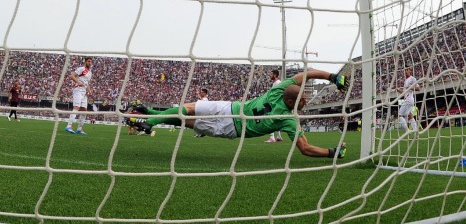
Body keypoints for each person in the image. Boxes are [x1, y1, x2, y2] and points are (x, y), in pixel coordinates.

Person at [128, 69, 349, 159]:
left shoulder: (278, 89)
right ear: (290, 101)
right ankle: (149, 120)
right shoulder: (288, 120)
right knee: (186, 110)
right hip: (231, 124)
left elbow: (308, 74)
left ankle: (149, 116)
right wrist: (333, 153)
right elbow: (306, 149)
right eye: (302, 99)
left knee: (185, 116)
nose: (306, 101)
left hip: (230, 111)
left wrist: (332, 77)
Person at [65, 57, 93, 135]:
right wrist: (77, 82)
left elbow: (87, 83)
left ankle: (79, 129)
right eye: (88, 61)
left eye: (91, 61)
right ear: (85, 62)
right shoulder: (81, 69)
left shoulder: (90, 73)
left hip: (84, 93)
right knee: (76, 108)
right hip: (78, 90)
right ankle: (69, 126)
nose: (90, 63)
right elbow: (72, 75)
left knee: (84, 110)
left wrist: (89, 91)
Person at [397, 68, 419, 133]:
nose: (405, 71)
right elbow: (405, 93)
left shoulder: (412, 79)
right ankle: (416, 133)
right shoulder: (406, 80)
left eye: (407, 70)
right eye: (405, 70)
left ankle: (407, 131)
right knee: (411, 116)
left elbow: (418, 88)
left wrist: (410, 87)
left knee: (400, 115)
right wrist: (399, 90)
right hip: (408, 99)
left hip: (409, 100)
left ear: (410, 70)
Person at [265, 69, 284, 143]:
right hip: (275, 104)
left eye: (271, 74)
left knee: (269, 119)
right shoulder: (275, 83)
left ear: (275, 75)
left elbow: (278, 94)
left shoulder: (278, 83)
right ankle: (278, 137)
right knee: (275, 121)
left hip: (275, 104)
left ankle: (272, 138)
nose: (270, 75)